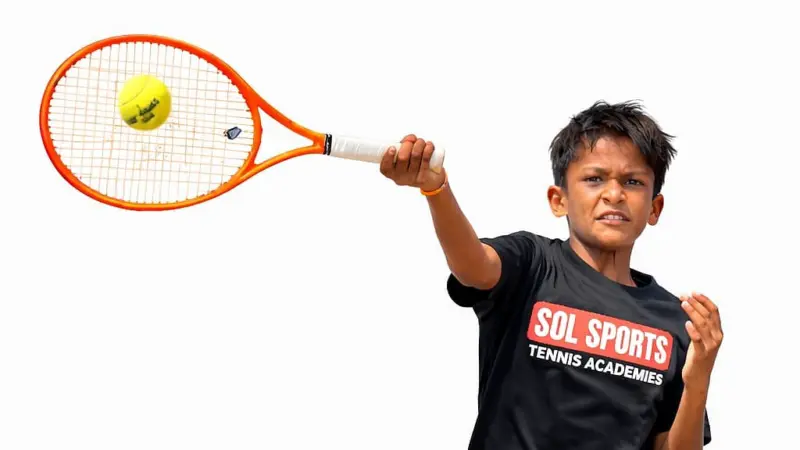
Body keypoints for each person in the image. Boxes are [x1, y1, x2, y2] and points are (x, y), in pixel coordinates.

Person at [378, 100, 723, 450]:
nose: (614, 194)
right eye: (594, 179)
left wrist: (698, 380)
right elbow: (472, 265)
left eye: (632, 181)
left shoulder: (676, 321)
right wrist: (436, 189)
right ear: (559, 200)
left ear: (654, 207)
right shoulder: (533, 266)